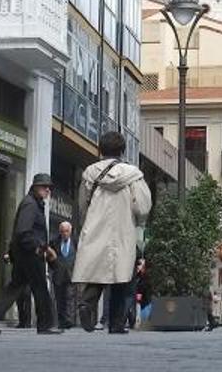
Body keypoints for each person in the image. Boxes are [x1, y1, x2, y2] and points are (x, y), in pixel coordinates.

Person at [72, 131, 152, 335]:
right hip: (123, 229)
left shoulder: (90, 172)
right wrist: (139, 221)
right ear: (122, 151)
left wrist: (85, 223)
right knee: (122, 277)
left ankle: (87, 303)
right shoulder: (133, 174)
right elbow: (142, 206)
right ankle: (117, 324)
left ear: (100, 149)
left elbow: (82, 204)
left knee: (97, 271)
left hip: (96, 226)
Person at [0, 174, 61, 335]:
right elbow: (23, 231)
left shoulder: (33, 203)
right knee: (40, 288)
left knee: (15, 287)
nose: (47, 190)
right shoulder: (30, 204)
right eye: (44, 187)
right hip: (30, 254)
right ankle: (45, 325)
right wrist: (41, 247)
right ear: (35, 187)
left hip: (24, 253)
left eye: (49, 188)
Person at [49, 221, 78, 329]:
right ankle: (62, 321)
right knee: (59, 298)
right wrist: (54, 267)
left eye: (67, 231)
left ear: (70, 231)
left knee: (70, 297)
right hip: (58, 274)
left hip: (72, 274)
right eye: (62, 231)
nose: (65, 234)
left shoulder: (76, 241)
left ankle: (69, 320)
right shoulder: (54, 242)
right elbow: (49, 257)